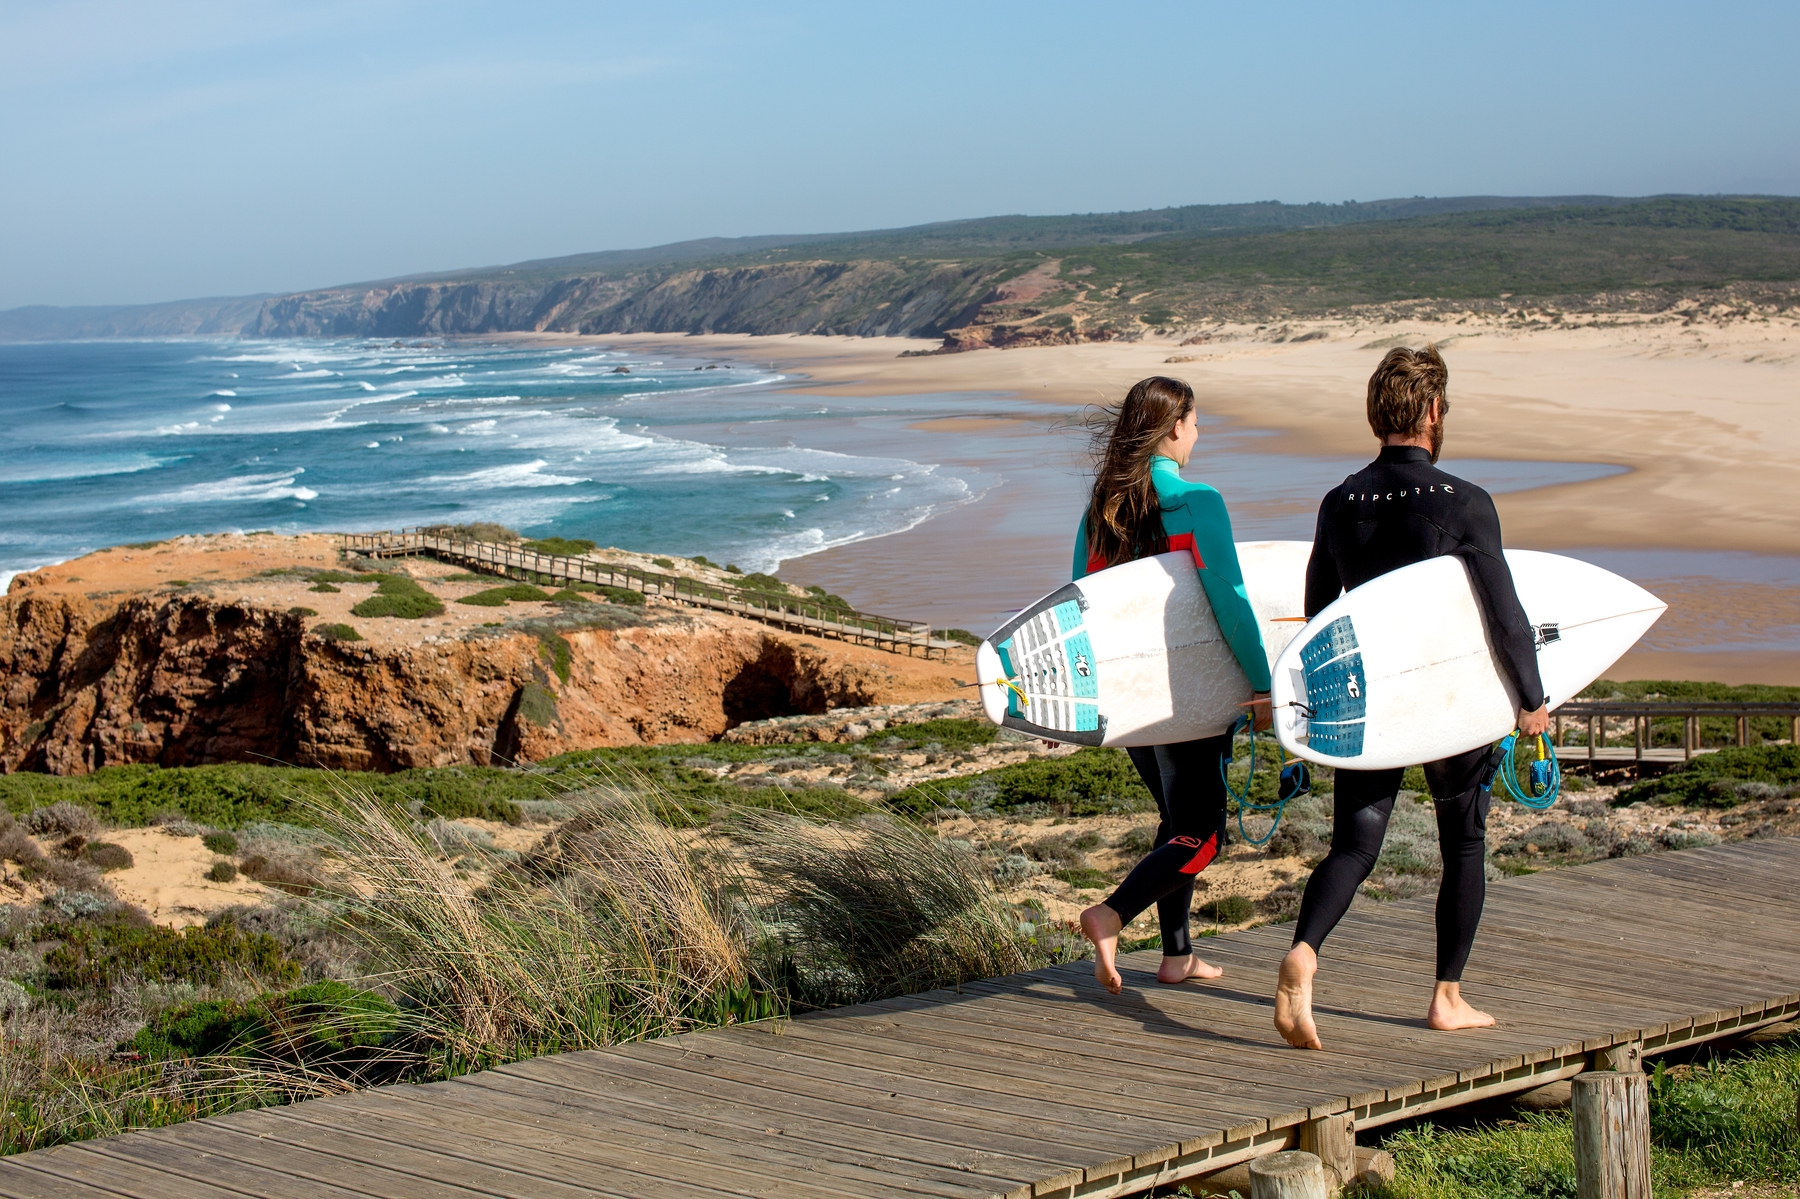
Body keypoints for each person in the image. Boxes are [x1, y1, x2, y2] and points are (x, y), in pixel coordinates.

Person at [1273, 345, 1551, 1051]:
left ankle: (1304, 952)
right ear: (1433, 411)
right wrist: (1531, 700)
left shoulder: (1340, 503)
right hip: (1446, 697)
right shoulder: (1464, 503)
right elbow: (1504, 612)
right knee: (1463, 841)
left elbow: (1317, 618)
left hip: (1373, 702)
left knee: (1354, 845)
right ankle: (1446, 997)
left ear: (1380, 411)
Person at [1073, 376, 1272, 995]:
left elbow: (1083, 610)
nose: (1197, 433)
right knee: (1203, 835)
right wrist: (1263, 683)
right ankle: (1110, 915)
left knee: (1175, 822)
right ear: (1172, 429)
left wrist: (1078, 702)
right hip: (1187, 697)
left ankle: (1177, 955)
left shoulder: (1102, 511)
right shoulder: (1197, 504)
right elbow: (1230, 604)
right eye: (1193, 421)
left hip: (1132, 700)